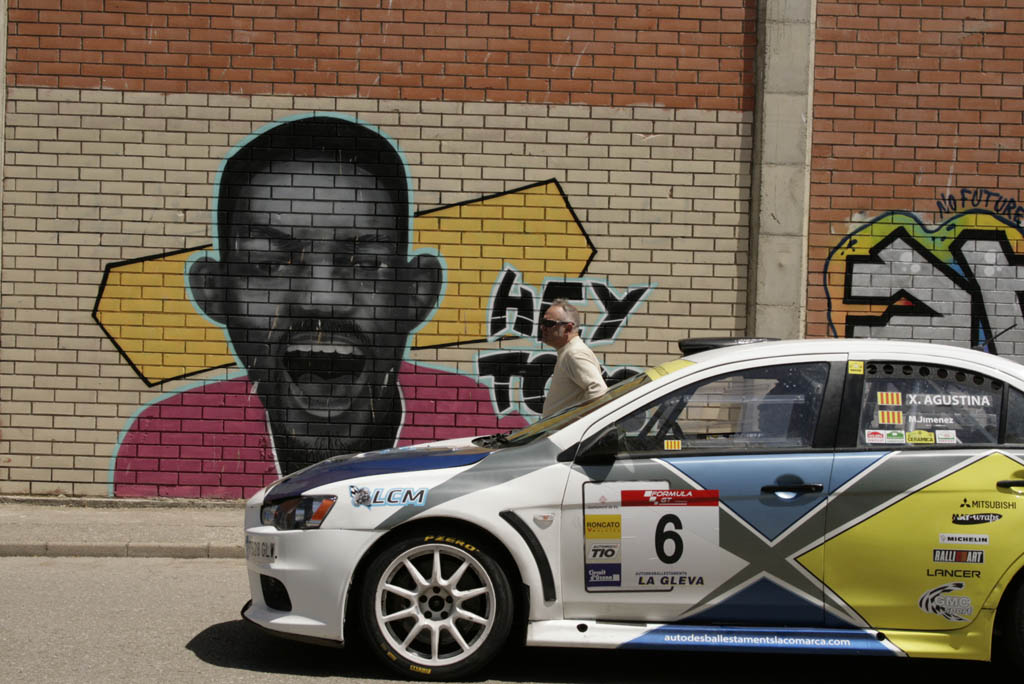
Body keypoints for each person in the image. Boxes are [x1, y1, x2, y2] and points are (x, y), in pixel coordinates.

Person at [113, 115, 526, 496]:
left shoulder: (485, 427)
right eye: (268, 264)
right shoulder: (166, 440)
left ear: (417, 290)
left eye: (366, 264)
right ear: (214, 291)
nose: (323, 298)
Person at [540, 298, 608, 418]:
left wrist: (574, 421)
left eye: (549, 323)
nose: (542, 327)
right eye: (542, 322)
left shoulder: (574, 353)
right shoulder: (568, 351)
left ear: (568, 328)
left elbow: (599, 390)